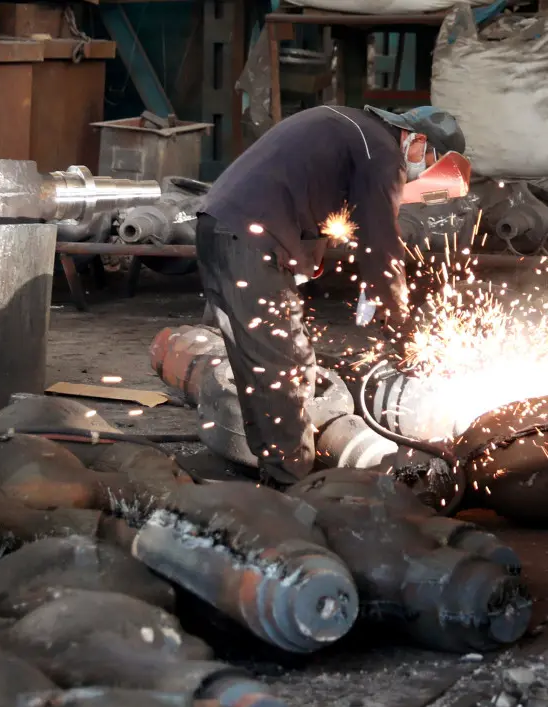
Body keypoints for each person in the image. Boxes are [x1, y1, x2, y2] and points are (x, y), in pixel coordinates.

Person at [195, 105, 466, 486]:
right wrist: (401, 321)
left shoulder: (350, 127)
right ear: (417, 140)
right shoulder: (383, 153)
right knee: (284, 365)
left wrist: (308, 258)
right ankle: (292, 484)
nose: (422, 172)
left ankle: (274, 467)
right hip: (249, 240)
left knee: (257, 364)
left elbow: (317, 198)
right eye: (431, 161)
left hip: (217, 228)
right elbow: (381, 244)